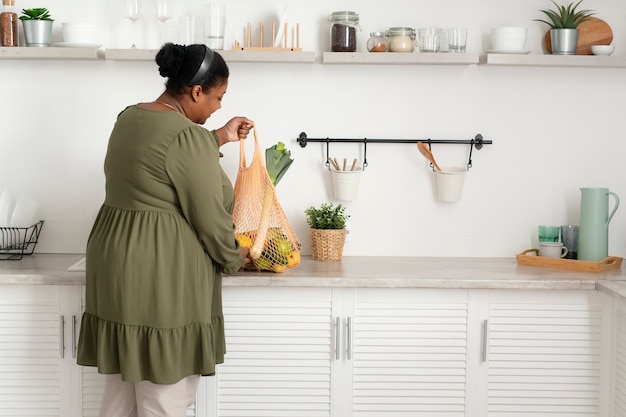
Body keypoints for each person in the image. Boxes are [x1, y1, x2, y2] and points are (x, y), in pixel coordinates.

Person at [76, 43, 253, 417]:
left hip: (114, 269)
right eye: (218, 98)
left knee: (119, 396)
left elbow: (161, 156)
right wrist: (235, 257)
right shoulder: (186, 138)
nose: (219, 106)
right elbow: (208, 215)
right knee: (165, 400)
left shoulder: (130, 117)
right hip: (158, 273)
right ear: (196, 91)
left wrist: (218, 136)